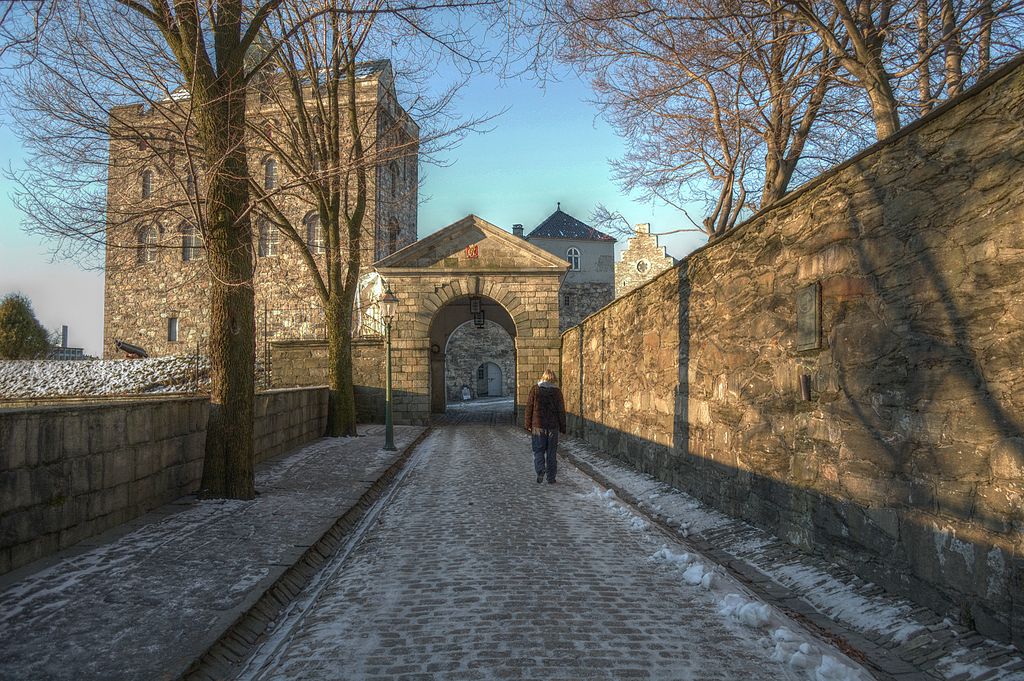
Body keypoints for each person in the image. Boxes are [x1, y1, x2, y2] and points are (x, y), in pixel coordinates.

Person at [524, 369, 566, 484]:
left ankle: (540, 470)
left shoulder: (535, 389)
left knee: (538, 450)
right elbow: (561, 411)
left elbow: (529, 407)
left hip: (538, 425)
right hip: (553, 426)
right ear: (553, 379)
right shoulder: (557, 392)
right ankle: (551, 478)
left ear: (543, 377)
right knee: (552, 452)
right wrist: (563, 427)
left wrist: (527, 423)